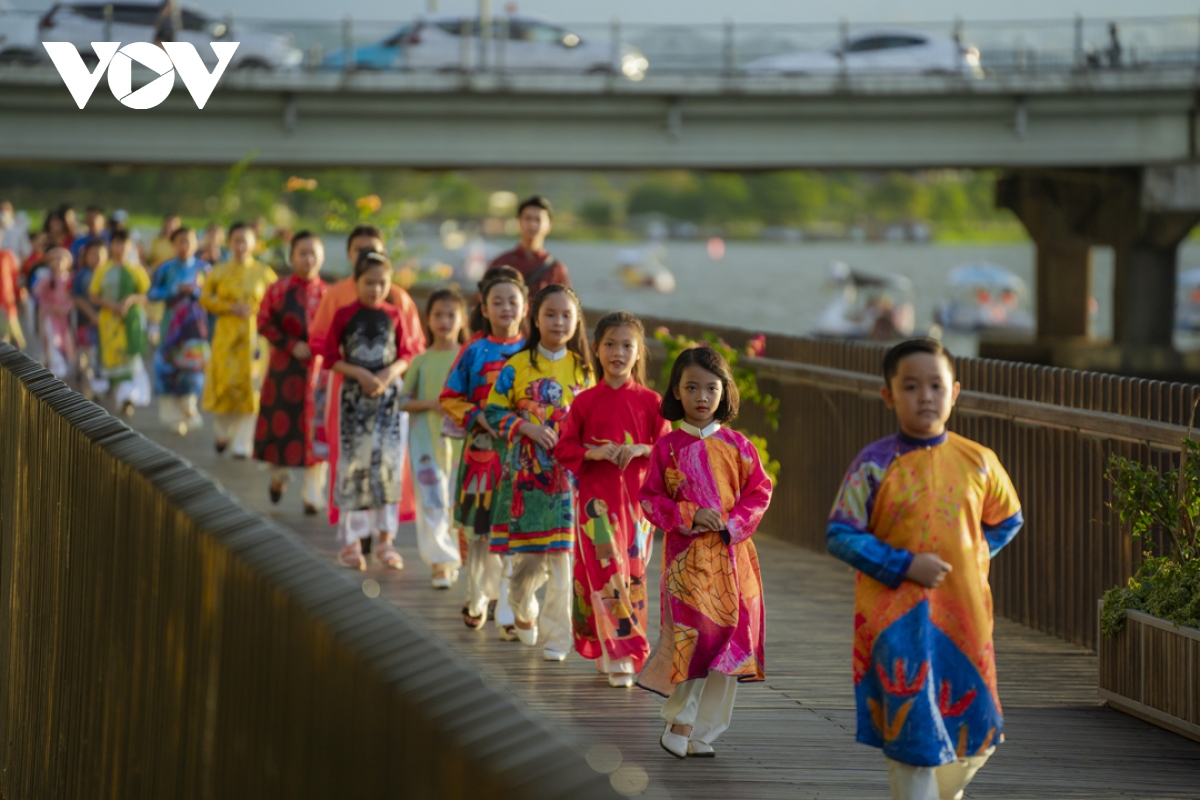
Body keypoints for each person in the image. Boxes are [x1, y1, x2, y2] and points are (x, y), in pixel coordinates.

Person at [826, 339, 1024, 800]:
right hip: (896, 623)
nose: (926, 396)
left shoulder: (979, 462)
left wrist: (974, 557)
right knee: (911, 739)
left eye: (936, 385)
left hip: (965, 623)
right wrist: (905, 564)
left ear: (955, 392)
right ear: (889, 395)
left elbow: (1008, 518)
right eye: (911, 386)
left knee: (978, 735)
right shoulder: (874, 464)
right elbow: (841, 533)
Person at [638, 346, 772, 760]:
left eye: (711, 388)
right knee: (692, 641)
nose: (701, 396)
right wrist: (689, 515)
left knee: (729, 646)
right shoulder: (668, 447)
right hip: (687, 564)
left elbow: (760, 492)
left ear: (724, 392)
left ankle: (706, 731)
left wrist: (733, 524)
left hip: (734, 562)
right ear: (676, 391)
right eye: (691, 387)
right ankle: (679, 720)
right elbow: (649, 498)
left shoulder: (740, 446)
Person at [557, 311, 670, 687]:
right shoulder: (586, 402)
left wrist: (640, 448)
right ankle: (623, 653)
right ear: (595, 349)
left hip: (636, 507)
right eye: (609, 344)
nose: (617, 352)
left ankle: (615, 649)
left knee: (631, 576)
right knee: (607, 573)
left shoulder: (653, 402)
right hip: (595, 505)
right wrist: (594, 453)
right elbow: (565, 447)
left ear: (639, 353)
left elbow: (669, 450)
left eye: (626, 345)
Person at [485, 284, 595, 661]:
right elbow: (493, 412)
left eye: (567, 315)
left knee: (564, 561)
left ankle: (557, 637)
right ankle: (523, 607)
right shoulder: (517, 365)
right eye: (551, 314)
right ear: (535, 317)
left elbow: (593, 421)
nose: (559, 322)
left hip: (568, 481)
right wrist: (527, 428)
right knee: (529, 560)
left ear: (577, 319)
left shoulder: (584, 368)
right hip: (526, 478)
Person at [309, 226, 426, 533]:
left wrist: (389, 376)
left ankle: (384, 533)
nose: (367, 254)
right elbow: (322, 344)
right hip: (346, 391)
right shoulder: (336, 296)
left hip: (388, 392)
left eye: (373, 248)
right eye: (360, 249)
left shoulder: (398, 298)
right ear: (350, 255)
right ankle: (353, 531)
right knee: (348, 456)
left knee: (389, 461)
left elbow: (413, 349)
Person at [439, 266, 527, 631]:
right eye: (497, 301)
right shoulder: (473, 350)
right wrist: (477, 416)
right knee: (479, 532)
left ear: (526, 307)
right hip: (480, 454)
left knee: (517, 532)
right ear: (485, 308)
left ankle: (509, 607)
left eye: (513, 300)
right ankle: (477, 597)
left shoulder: (533, 352)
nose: (506, 307)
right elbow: (449, 397)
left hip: (522, 457)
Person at [253, 231, 329, 513]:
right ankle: (279, 477)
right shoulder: (278, 289)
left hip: (320, 374)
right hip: (284, 371)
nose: (308, 258)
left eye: (314, 253)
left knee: (316, 432)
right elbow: (263, 321)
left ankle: (312, 495)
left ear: (322, 256)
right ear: (292, 255)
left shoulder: (328, 295)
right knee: (282, 426)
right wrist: (289, 344)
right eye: (302, 252)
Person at [400, 288, 468, 589]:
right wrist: (432, 404)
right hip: (425, 441)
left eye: (450, 314)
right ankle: (440, 562)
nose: (444, 321)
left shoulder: (468, 357)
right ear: (428, 320)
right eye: (438, 315)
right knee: (432, 500)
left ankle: (457, 557)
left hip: (461, 443)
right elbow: (402, 401)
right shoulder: (421, 360)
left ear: (462, 319)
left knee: (457, 501)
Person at [200, 222, 277, 458]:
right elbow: (205, 297)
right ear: (229, 243)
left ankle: (243, 444)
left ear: (254, 243)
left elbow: (276, 301)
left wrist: (257, 311)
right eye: (236, 240)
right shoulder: (219, 271)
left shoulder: (264, 273)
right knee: (225, 385)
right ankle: (223, 432)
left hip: (254, 339)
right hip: (226, 335)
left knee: (252, 388)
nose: (241, 245)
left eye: (246, 240)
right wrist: (228, 306)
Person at [147, 226, 211, 434]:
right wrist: (174, 289)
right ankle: (172, 416)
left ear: (197, 244)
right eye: (180, 241)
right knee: (167, 367)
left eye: (189, 241)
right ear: (173, 245)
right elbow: (152, 294)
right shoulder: (164, 269)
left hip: (195, 327)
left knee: (193, 367)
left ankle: (190, 408)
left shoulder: (205, 269)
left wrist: (197, 292)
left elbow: (213, 297)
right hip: (170, 326)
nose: (185, 246)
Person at [88, 230, 151, 415]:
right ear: (111, 246)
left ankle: (128, 397)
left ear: (131, 246)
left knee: (131, 360)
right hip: (109, 323)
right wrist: (112, 305)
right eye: (117, 243)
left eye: (125, 243)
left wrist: (130, 299)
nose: (121, 247)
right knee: (113, 358)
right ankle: (118, 395)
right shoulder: (103, 270)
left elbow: (146, 296)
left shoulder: (137, 270)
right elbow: (93, 296)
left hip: (131, 322)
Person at [487, 196, 571, 298]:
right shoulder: (501, 263)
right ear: (518, 222)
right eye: (528, 218)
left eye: (538, 220)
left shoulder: (556, 270)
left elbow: (567, 304)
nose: (532, 224)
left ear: (549, 225)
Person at [72, 237, 106, 397]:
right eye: (93, 254)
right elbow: (78, 298)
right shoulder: (82, 275)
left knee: (100, 356)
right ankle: (88, 389)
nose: (97, 258)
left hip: (105, 323)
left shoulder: (108, 272)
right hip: (86, 322)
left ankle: (97, 386)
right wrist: (92, 315)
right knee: (88, 354)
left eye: (100, 254)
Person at [35, 247, 76, 378]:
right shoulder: (47, 279)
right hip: (51, 317)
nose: (57, 263)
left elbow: (73, 298)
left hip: (65, 317)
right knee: (53, 340)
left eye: (61, 259)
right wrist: (50, 307)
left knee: (66, 341)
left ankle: (65, 368)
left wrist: (67, 307)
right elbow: (40, 296)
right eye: (54, 260)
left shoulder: (70, 279)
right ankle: (56, 368)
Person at [0, 246, 25, 349]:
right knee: (4, 340)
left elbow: (15, 278)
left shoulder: (7, 255)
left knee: (18, 342)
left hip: (8, 304)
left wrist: (20, 296)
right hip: (3, 306)